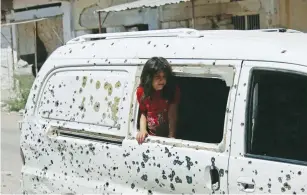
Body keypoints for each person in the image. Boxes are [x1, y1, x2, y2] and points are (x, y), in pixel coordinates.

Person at [136, 57, 180, 144]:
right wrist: (143, 130)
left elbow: (172, 115)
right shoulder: (142, 92)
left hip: (166, 134)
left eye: (164, 76)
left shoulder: (172, 91)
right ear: (149, 78)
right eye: (157, 77)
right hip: (152, 137)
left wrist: (171, 136)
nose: (162, 80)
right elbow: (143, 112)